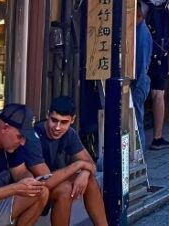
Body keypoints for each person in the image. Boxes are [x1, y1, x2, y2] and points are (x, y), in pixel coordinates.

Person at [24, 96, 107, 226]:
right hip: (32, 189)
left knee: (90, 179)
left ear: (72, 120)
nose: (57, 127)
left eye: (64, 122)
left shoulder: (69, 134)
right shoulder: (35, 136)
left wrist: (84, 172)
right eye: (54, 120)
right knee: (65, 189)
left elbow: (92, 166)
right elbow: (46, 181)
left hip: (53, 184)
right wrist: (78, 165)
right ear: (47, 115)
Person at [139, 0, 169, 150]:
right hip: (162, 54)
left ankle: (136, 135)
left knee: (138, 90)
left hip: (143, 52)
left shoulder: (141, 4)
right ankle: (158, 136)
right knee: (158, 94)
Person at [131, 0, 153, 157]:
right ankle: (137, 153)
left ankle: (139, 154)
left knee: (136, 120)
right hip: (139, 80)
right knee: (135, 119)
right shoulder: (137, 31)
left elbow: (141, 63)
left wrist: (135, 84)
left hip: (138, 82)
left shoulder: (142, 34)